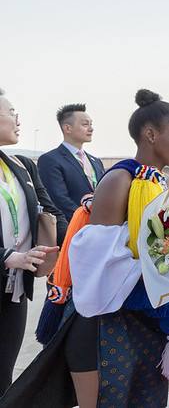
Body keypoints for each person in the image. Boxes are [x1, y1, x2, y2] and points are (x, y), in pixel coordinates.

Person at [1, 89, 169, 408]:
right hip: (104, 325)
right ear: (150, 134)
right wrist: (168, 257)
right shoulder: (121, 179)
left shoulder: (156, 181)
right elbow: (95, 262)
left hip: (139, 320)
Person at [0, 88, 65, 394]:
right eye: (11, 111)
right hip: (8, 268)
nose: (17, 118)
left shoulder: (21, 166)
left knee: (2, 374)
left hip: (12, 289)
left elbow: (51, 211)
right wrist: (5, 256)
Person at [38, 104, 106, 222]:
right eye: (85, 124)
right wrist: (86, 220)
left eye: (91, 124)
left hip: (99, 227)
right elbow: (59, 200)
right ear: (67, 128)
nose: (91, 128)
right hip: (72, 229)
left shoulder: (96, 161)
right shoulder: (50, 160)